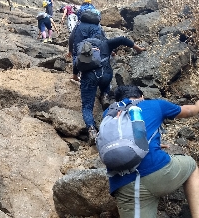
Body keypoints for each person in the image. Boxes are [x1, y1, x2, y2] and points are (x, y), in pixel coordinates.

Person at [107, 85, 199, 218]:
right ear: (142, 97)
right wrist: (197, 106)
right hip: (159, 172)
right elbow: (189, 111)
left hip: (124, 185)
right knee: (192, 166)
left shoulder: (108, 114)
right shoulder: (154, 105)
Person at [75, 36, 145, 144]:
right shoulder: (106, 44)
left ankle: (92, 130)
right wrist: (138, 48)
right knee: (106, 79)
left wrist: (75, 76)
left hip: (89, 78)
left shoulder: (81, 48)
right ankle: (105, 96)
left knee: (87, 107)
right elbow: (123, 39)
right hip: (105, 74)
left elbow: (76, 64)